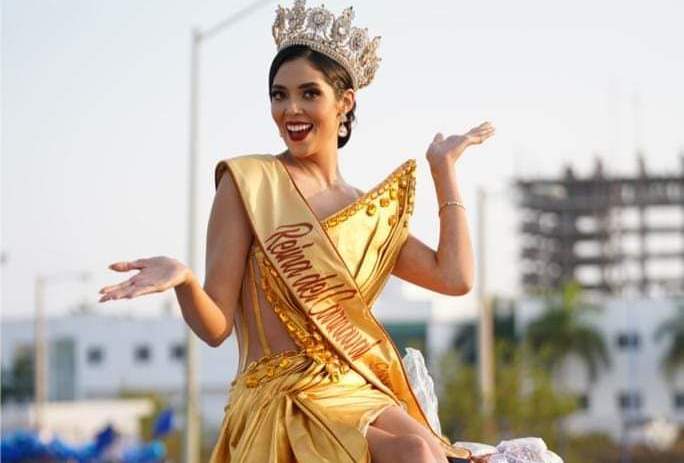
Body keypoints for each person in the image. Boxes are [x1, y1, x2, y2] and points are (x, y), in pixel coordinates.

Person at [98, 1, 495, 462]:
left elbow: (455, 278)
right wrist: (185, 280)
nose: (291, 109)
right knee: (415, 455)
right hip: (280, 397)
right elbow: (216, 327)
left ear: (344, 101)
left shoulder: (366, 212)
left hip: (355, 386)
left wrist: (443, 168)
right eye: (279, 94)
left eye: (309, 94)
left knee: (437, 453)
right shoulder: (249, 184)